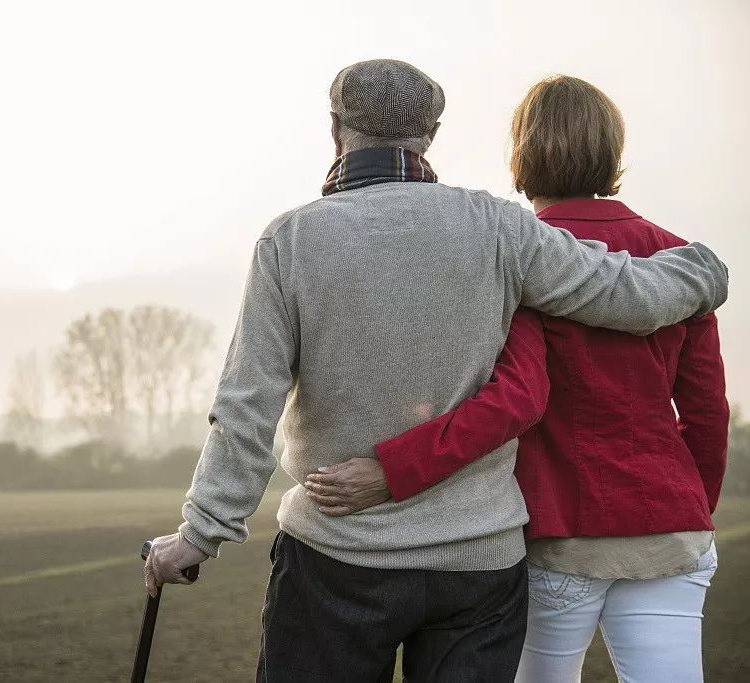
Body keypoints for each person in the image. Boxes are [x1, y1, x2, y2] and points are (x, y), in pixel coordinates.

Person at [143, 60, 729, 682]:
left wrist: (200, 534)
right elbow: (628, 294)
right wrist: (707, 271)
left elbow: (247, 405)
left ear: (335, 127)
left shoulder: (290, 240)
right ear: (434, 132)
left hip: (337, 558)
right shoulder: (499, 228)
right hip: (480, 564)